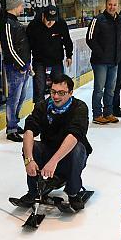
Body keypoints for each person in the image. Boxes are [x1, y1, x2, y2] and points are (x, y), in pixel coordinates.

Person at [16, 74, 93, 211]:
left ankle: (73, 192)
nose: (56, 96)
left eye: (61, 93)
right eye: (53, 92)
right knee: (31, 146)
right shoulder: (43, 106)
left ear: (70, 93)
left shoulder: (79, 108)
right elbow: (29, 131)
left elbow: (74, 136)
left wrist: (53, 161)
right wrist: (29, 160)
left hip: (70, 157)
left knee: (78, 148)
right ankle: (34, 191)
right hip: (48, 152)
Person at [86, 0, 121, 125]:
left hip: (114, 61)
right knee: (99, 89)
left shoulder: (120, 20)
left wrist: (119, 54)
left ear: (118, 5)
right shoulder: (98, 20)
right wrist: (101, 53)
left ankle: (108, 113)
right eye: (110, 4)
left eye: (115, 5)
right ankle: (97, 114)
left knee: (110, 89)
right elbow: (90, 39)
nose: (112, 7)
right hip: (100, 62)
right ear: (106, 4)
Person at [0, 0, 31, 142]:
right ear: (15, 5)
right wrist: (20, 65)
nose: (22, 8)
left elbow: (23, 46)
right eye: (21, 5)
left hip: (23, 67)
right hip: (15, 67)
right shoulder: (7, 23)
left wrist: (27, 64)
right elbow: (9, 48)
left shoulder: (15, 23)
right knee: (14, 98)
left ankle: (15, 123)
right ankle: (11, 128)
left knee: (21, 96)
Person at [26, 5, 74, 103]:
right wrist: (27, 61)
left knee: (59, 86)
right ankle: (39, 111)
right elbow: (27, 46)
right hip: (39, 61)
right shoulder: (34, 25)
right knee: (39, 88)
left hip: (56, 60)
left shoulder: (61, 23)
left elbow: (67, 40)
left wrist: (69, 55)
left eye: (53, 20)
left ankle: (58, 109)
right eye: (48, 19)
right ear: (43, 16)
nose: (50, 23)